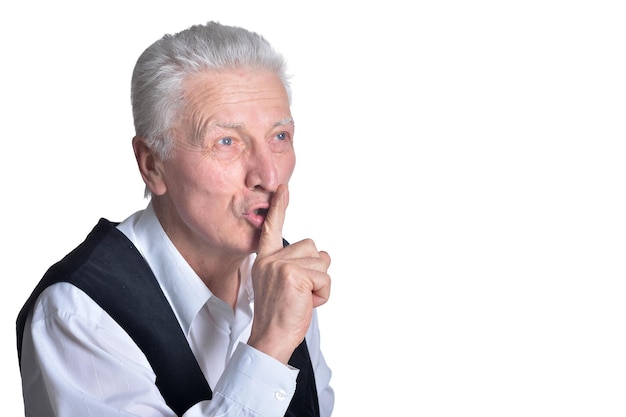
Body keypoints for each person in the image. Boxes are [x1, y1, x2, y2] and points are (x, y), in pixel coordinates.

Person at [16, 21, 333, 417]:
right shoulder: (79, 312)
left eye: (279, 137)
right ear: (152, 166)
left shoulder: (283, 276)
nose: (268, 177)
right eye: (227, 142)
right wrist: (270, 345)